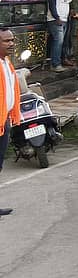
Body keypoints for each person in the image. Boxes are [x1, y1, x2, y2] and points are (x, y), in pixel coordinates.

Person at [0, 28, 21, 219]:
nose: (11, 44)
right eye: (6, 41)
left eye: (12, 40)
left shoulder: (6, 63)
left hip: (4, 119)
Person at [47, 0, 72, 72]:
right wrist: (57, 17)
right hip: (55, 20)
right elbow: (52, 5)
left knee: (61, 42)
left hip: (64, 20)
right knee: (58, 41)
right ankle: (55, 64)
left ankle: (58, 61)